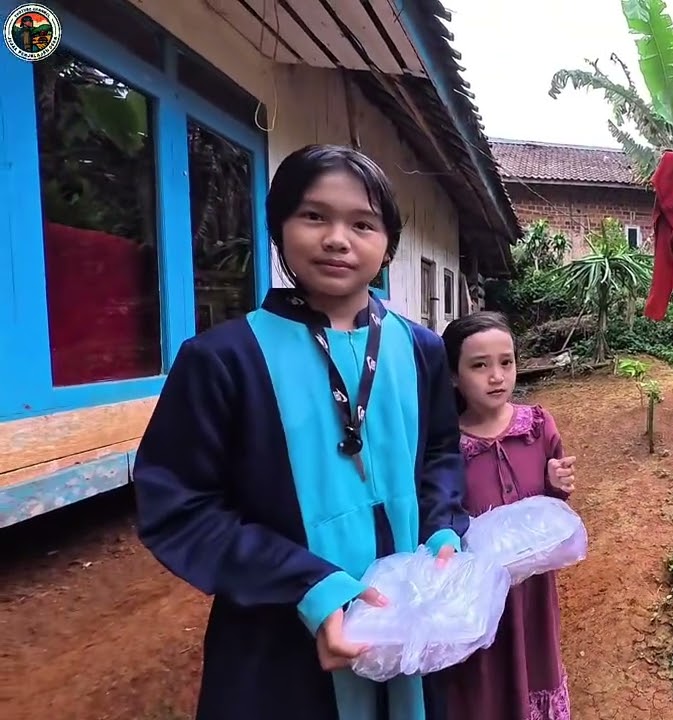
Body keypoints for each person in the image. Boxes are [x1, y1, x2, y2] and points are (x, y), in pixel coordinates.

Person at [132, 144, 468, 720]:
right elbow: (180, 506)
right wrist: (310, 586)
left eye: (363, 223)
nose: (338, 238)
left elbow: (440, 453)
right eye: (314, 216)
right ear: (279, 226)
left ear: (387, 242)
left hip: (404, 624)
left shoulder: (422, 349)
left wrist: (442, 530)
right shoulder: (222, 360)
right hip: (276, 641)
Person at [437, 311, 577, 720]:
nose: (496, 376)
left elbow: (555, 512)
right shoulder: (444, 445)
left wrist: (557, 483)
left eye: (506, 362)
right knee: (485, 674)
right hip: (478, 594)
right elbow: (439, 512)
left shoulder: (536, 426)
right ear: (453, 375)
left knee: (535, 660)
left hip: (532, 591)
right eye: (479, 365)